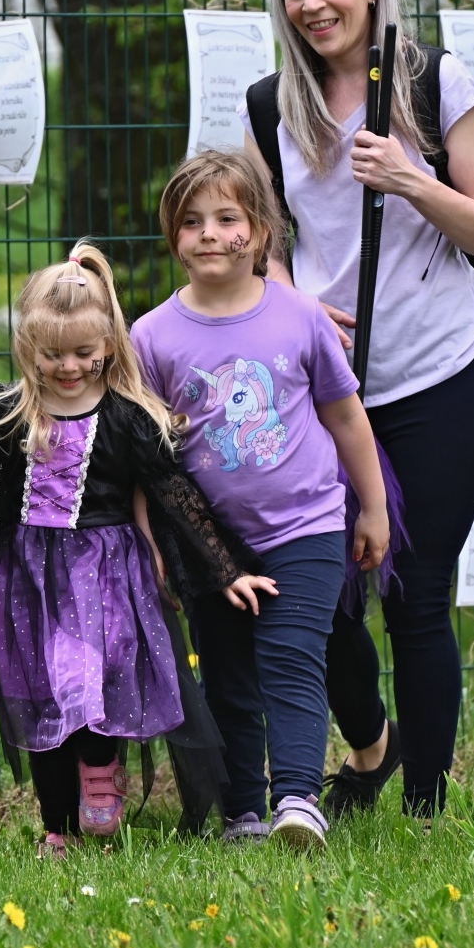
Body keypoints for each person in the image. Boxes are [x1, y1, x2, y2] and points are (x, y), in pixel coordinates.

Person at [242, 0, 474, 818]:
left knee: (417, 598)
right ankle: (373, 747)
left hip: (442, 380)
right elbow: (265, 243)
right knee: (315, 595)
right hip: (328, 391)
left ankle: (425, 809)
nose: (312, 5)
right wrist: (291, 305)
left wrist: (411, 178)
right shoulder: (270, 106)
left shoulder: (436, 83)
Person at [0, 243, 276, 856]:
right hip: (29, 577)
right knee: (44, 690)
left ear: (110, 345)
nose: (68, 367)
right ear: (28, 347)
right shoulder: (10, 411)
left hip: (105, 574)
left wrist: (226, 569)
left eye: (83, 353)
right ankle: (56, 825)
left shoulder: (127, 418)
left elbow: (175, 494)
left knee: (90, 679)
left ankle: (101, 772)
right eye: (52, 354)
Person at [132, 150, 391, 849]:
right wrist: (156, 545)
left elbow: (346, 417)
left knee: (292, 659)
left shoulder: (301, 316)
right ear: (173, 236)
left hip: (307, 526)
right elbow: (147, 462)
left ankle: (299, 801)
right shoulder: (150, 337)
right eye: (192, 222)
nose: (211, 235)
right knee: (226, 678)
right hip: (211, 546)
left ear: (261, 232)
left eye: (227, 218)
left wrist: (373, 508)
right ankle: (243, 811)